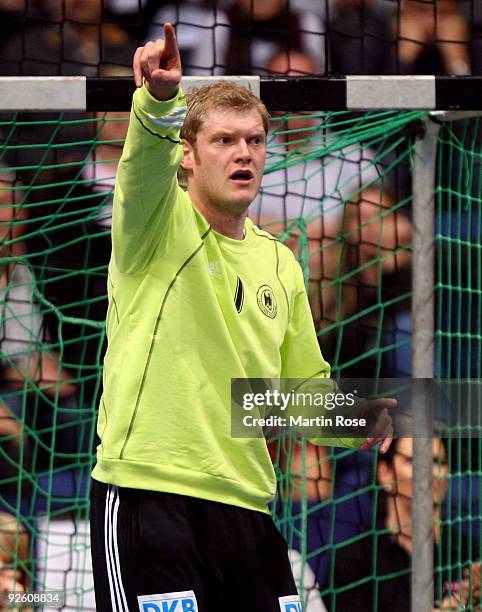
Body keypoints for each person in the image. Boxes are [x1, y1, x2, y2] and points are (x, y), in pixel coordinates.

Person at [89, 23, 394, 612]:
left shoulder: (279, 261)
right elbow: (142, 165)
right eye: (224, 141)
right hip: (152, 497)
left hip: (249, 504)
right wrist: (158, 100)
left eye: (254, 141)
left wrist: (352, 415)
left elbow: (300, 387)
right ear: (188, 153)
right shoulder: (155, 224)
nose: (243, 154)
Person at [328, 433, 477, 611]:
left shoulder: (469, 553)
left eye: (438, 461)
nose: (429, 472)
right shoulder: (354, 560)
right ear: (385, 473)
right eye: (414, 461)